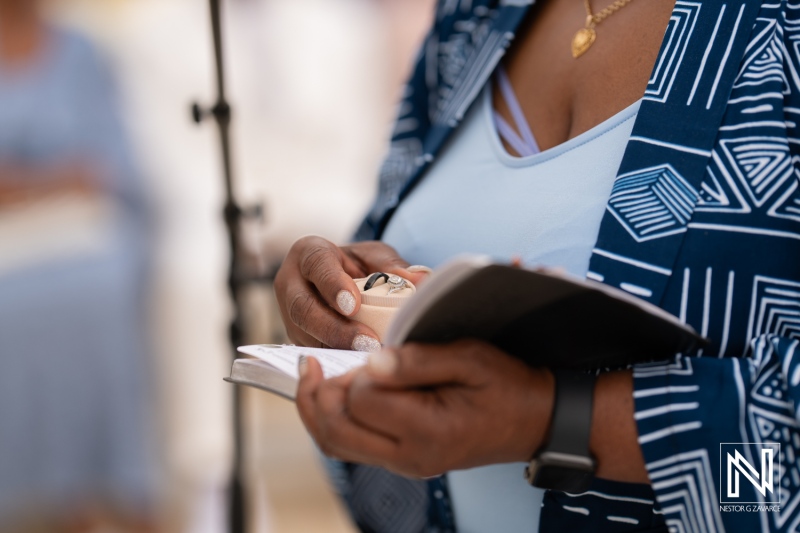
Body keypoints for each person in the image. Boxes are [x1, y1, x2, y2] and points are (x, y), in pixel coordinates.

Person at [273, 0, 800, 531]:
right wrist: (350, 294)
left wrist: (553, 420)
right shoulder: (473, 17)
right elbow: (384, 240)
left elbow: (778, 479)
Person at [0, 0, 155, 530]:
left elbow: (112, 164)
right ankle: (42, 493)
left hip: (78, 233)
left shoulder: (81, 52)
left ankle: (117, 486)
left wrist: (38, 184)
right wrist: (45, 181)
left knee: (107, 283)